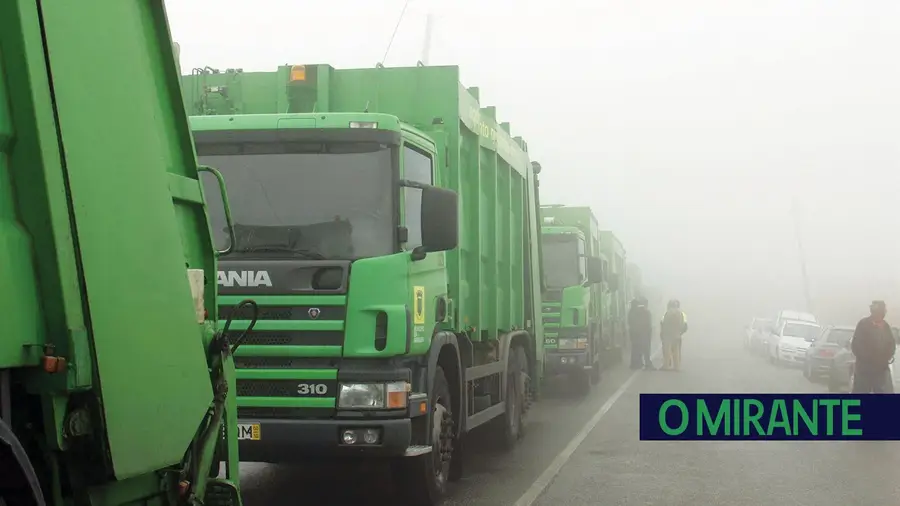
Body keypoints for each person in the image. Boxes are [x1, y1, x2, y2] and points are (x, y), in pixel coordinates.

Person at [850, 300, 896, 393]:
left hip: (881, 369)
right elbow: (856, 345)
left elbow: (891, 344)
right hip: (864, 369)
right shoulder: (863, 324)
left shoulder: (886, 326)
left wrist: (886, 357)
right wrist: (868, 357)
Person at [660, 299, 688, 371]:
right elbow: (684, 325)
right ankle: (677, 367)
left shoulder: (667, 313)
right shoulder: (681, 313)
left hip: (668, 335)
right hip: (677, 335)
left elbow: (663, 323)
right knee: (677, 351)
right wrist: (680, 332)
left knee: (667, 351)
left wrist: (662, 333)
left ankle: (666, 365)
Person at [628, 296, 654, 370]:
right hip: (643, 333)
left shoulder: (632, 312)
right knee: (645, 349)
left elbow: (630, 323)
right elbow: (647, 323)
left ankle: (636, 363)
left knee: (636, 348)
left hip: (635, 333)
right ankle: (647, 364)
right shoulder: (644, 312)